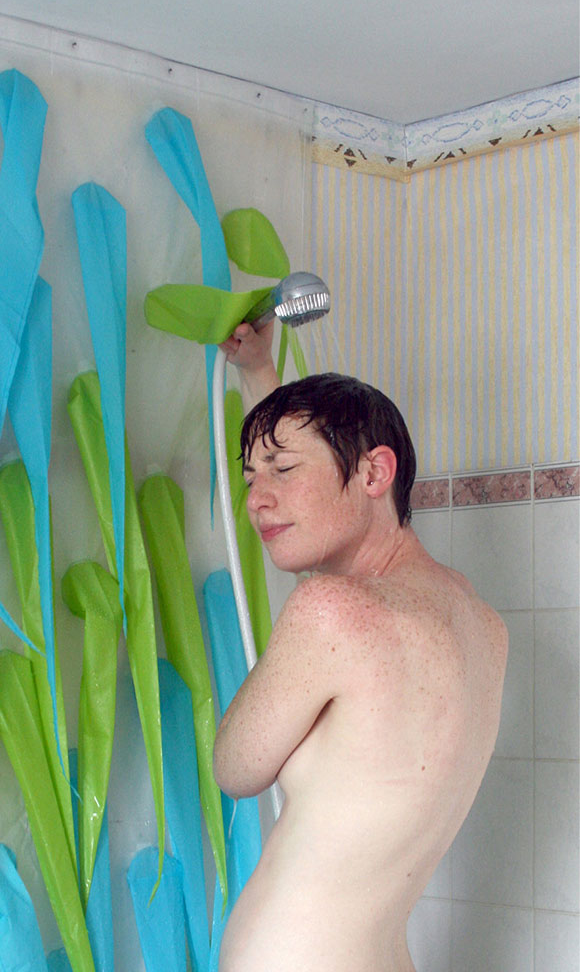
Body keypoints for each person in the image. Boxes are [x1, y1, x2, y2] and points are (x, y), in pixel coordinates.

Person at [213, 320, 508, 972]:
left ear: (376, 470)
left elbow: (235, 769)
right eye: (251, 476)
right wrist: (259, 371)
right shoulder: (483, 627)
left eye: (282, 470)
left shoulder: (330, 613)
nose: (257, 499)